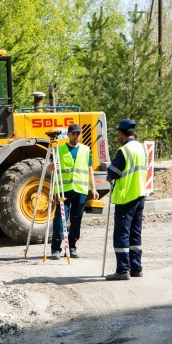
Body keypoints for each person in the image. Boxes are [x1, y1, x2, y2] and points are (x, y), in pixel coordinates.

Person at [49, 123, 100, 259]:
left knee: (76, 221)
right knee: (60, 221)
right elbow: (48, 169)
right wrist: (52, 166)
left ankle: (71, 247)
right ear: (68, 135)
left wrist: (93, 188)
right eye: (73, 134)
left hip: (80, 190)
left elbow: (90, 170)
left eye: (78, 134)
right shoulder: (59, 150)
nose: (76, 136)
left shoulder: (85, 150)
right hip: (63, 191)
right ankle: (56, 249)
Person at [105, 118, 148, 281]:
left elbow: (113, 171)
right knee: (135, 234)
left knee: (122, 234)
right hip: (140, 194)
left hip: (126, 196)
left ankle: (123, 270)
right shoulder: (141, 148)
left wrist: (110, 175)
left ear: (121, 133)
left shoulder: (124, 150)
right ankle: (136, 268)